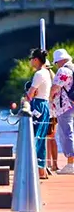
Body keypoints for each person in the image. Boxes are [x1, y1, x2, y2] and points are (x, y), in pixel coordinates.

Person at [25, 48, 51, 177]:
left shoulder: (39, 74)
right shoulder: (46, 72)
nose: (30, 61)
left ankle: (32, 168)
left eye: (31, 59)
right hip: (44, 105)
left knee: (34, 136)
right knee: (41, 137)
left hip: (38, 105)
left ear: (36, 60)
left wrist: (23, 103)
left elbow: (31, 93)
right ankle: (41, 169)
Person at [50, 48, 74, 174]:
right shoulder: (73, 68)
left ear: (60, 60)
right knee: (70, 131)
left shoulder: (63, 70)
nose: (56, 65)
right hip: (72, 104)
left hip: (65, 105)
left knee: (66, 132)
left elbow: (55, 87)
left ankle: (71, 163)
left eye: (56, 62)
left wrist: (49, 98)